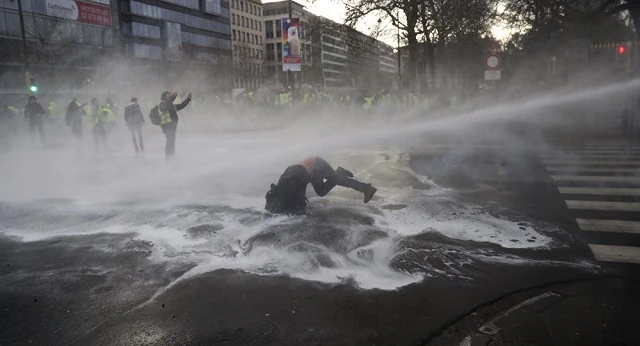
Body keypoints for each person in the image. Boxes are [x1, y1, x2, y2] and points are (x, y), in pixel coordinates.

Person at [265, 156, 377, 215]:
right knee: (321, 191)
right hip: (309, 170)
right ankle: (339, 172)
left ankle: (367, 188)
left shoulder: (290, 183)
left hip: (316, 164)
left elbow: (300, 200)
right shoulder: (284, 184)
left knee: (338, 180)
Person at [158, 91, 191, 159]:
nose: (170, 96)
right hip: (166, 126)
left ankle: (171, 157)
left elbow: (181, 106)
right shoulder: (162, 103)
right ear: (164, 97)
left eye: (170, 95)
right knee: (170, 142)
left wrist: (188, 99)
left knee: (171, 142)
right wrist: (173, 97)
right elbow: (164, 107)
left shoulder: (170, 104)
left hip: (172, 125)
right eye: (168, 96)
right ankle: (169, 159)